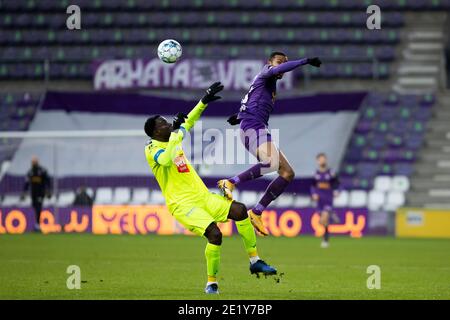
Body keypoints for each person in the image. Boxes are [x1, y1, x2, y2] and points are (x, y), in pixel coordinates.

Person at [144, 82, 277, 294]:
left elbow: (190, 120)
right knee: (215, 235)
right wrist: (176, 133)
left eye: (167, 122)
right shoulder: (152, 150)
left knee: (240, 210)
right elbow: (168, 159)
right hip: (182, 205)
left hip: (202, 197)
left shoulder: (172, 137)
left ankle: (255, 261)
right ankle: (211, 283)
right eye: (163, 124)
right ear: (154, 132)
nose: (168, 124)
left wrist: (204, 100)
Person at [219, 52, 322, 236]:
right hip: (253, 126)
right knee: (272, 163)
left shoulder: (268, 83)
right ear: (270, 63)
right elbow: (277, 70)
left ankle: (257, 212)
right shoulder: (266, 72)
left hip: (255, 126)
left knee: (287, 173)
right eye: (279, 62)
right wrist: (304, 61)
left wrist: (239, 116)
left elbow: (252, 98)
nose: (282, 65)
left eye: (285, 62)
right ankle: (230, 182)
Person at [310, 153, 341, 248]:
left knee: (324, 218)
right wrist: (313, 194)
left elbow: (338, 184)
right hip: (320, 201)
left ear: (326, 160)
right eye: (320, 159)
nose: (322, 161)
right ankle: (332, 216)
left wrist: (337, 191)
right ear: (317, 161)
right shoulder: (316, 174)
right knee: (323, 222)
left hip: (328, 199)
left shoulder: (331, 173)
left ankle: (325, 240)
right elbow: (313, 186)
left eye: (323, 159)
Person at [21, 156, 52, 231]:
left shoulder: (42, 171)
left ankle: (38, 225)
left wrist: (48, 191)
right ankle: (37, 224)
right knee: (35, 207)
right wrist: (24, 192)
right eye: (32, 162)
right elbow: (27, 183)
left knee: (38, 207)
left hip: (40, 192)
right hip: (33, 193)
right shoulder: (30, 172)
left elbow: (48, 181)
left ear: (37, 162)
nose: (33, 163)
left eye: (34, 162)